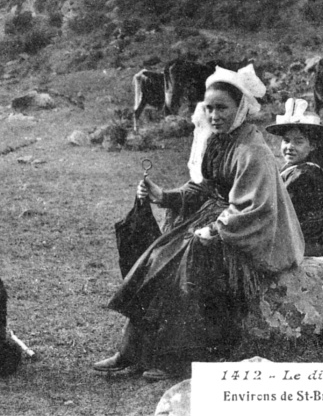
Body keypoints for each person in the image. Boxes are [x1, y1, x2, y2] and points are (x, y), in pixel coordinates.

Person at [93, 66, 305, 381]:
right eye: (209, 108)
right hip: (216, 220)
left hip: (253, 236)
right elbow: (203, 189)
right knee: (157, 255)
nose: (214, 115)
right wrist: (162, 195)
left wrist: (216, 230)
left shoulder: (253, 149)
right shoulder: (219, 140)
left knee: (183, 261)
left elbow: (256, 208)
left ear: (240, 109)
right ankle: (133, 350)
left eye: (222, 108)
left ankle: (178, 358)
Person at [266, 98, 323, 257]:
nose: (290, 147)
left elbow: (276, 206)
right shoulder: (293, 170)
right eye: (286, 141)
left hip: (309, 237)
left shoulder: (305, 174)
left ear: (312, 146)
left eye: (298, 142)